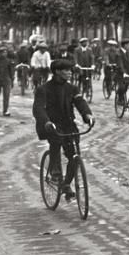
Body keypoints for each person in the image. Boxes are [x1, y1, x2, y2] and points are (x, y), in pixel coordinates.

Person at [33, 59, 94, 199]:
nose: (70, 73)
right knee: (56, 141)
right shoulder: (43, 89)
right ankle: (55, 171)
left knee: (74, 154)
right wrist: (46, 122)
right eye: (66, 70)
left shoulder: (72, 88)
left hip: (67, 123)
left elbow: (80, 102)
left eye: (70, 70)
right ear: (57, 72)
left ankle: (66, 184)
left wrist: (87, 115)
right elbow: (38, 108)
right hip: (51, 124)